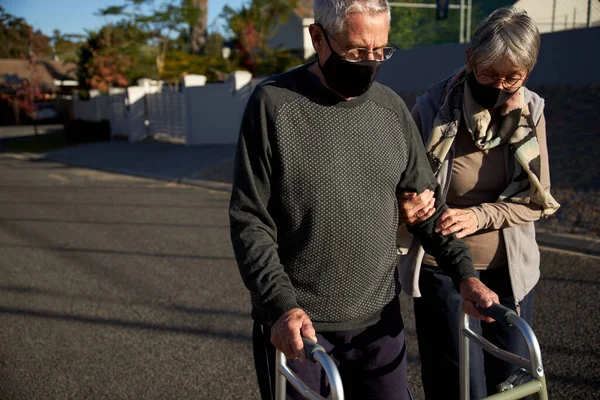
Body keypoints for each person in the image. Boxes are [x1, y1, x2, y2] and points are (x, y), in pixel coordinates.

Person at [229, 1, 499, 399]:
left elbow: (428, 208)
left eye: (381, 51)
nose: (370, 63)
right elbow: (250, 219)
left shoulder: (390, 110)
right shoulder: (272, 105)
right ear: (318, 38)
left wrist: (465, 275)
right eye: (357, 51)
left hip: (379, 326)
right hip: (301, 330)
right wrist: (280, 306)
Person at [396, 7, 560, 399]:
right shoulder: (433, 108)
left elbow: (536, 200)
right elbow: (411, 191)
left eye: (513, 78)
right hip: (444, 271)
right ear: (470, 59)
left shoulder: (531, 111)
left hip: (509, 271)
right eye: (489, 74)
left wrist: (478, 216)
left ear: (529, 71)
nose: (500, 86)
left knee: (513, 381)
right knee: (458, 384)